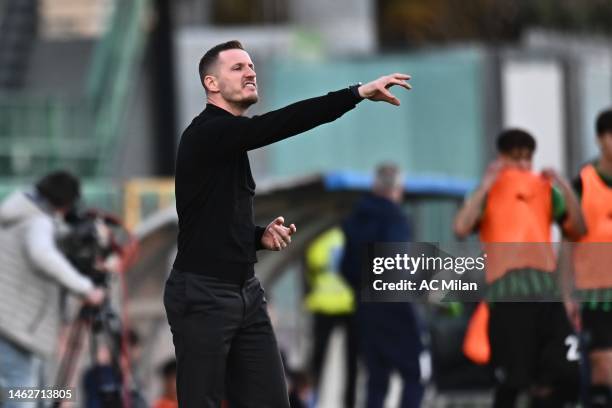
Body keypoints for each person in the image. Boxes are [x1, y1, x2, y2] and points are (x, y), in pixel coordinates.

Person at [163, 39, 412, 408]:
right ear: (211, 84)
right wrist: (356, 93)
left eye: (252, 66)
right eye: (237, 68)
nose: (250, 72)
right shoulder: (207, 134)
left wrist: (258, 236)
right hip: (203, 294)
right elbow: (279, 125)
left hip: (245, 291)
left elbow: (209, 222)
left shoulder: (227, 142)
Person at [453, 129, 586, 407]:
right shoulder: (487, 193)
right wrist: (487, 184)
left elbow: (579, 228)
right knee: (514, 381)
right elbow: (461, 227)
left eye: (528, 158)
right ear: (500, 158)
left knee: (567, 373)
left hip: (545, 297)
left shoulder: (546, 191)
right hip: (507, 300)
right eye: (515, 159)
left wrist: (562, 184)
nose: (523, 165)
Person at [0, 171, 105, 408]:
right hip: (15, 330)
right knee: (21, 395)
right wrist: (86, 288)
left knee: (25, 394)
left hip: (14, 327)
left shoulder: (23, 214)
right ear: (65, 202)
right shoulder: (38, 220)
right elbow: (42, 254)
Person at [341, 163, 424, 408]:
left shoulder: (355, 218)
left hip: (364, 305)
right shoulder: (395, 216)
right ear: (398, 188)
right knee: (414, 373)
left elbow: (345, 267)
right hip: (393, 305)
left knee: (376, 379)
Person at [572, 109, 612, 407]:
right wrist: (566, 294)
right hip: (596, 295)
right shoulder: (583, 183)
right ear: (600, 139)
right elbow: (565, 241)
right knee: (602, 372)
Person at [304, 228, 355, 407]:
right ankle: (350, 402)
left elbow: (310, 272)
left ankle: (312, 399)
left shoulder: (318, 240)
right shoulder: (351, 237)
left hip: (323, 305)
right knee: (352, 362)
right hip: (349, 305)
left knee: (317, 359)